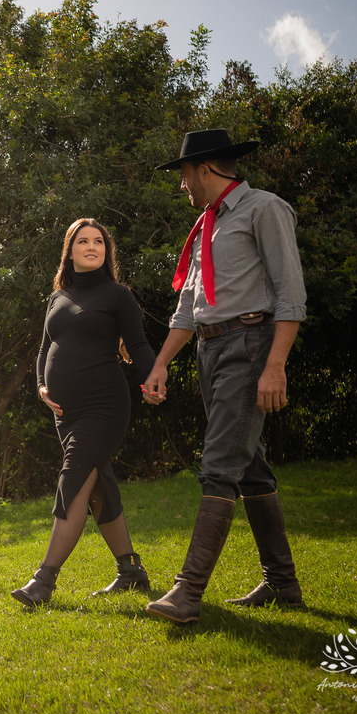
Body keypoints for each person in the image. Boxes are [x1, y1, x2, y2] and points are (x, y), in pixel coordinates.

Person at [141, 128, 307, 625]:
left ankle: (186, 593)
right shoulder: (205, 227)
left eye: (184, 175)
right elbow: (188, 310)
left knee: (219, 465)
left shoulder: (264, 209)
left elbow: (290, 294)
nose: (183, 185)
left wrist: (274, 364)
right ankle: (283, 583)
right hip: (211, 351)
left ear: (206, 169)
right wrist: (161, 362)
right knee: (248, 464)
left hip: (250, 346)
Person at [12, 218, 157, 609]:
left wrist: (153, 378)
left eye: (99, 241)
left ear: (106, 251)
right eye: (83, 241)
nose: (92, 247)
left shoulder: (117, 295)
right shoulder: (58, 297)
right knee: (96, 483)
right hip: (65, 412)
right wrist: (43, 386)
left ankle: (44, 581)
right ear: (70, 250)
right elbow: (45, 349)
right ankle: (130, 571)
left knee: (74, 476)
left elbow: (140, 346)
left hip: (104, 405)